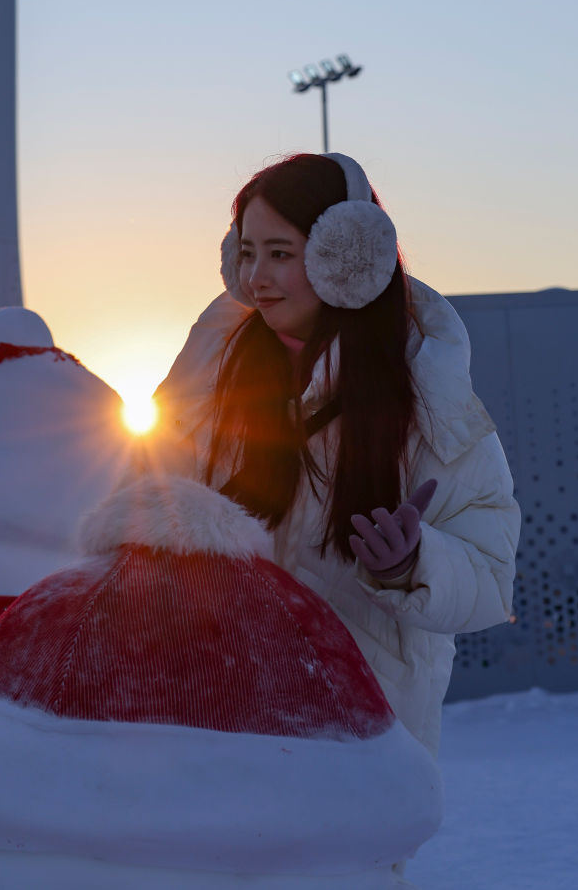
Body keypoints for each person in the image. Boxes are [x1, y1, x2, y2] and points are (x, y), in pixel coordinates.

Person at [148, 151, 520, 760]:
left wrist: (411, 563)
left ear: (349, 257)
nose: (255, 277)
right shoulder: (208, 382)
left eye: (280, 253)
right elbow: (148, 506)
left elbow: (491, 576)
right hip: (224, 722)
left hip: (365, 738)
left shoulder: (431, 397)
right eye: (247, 252)